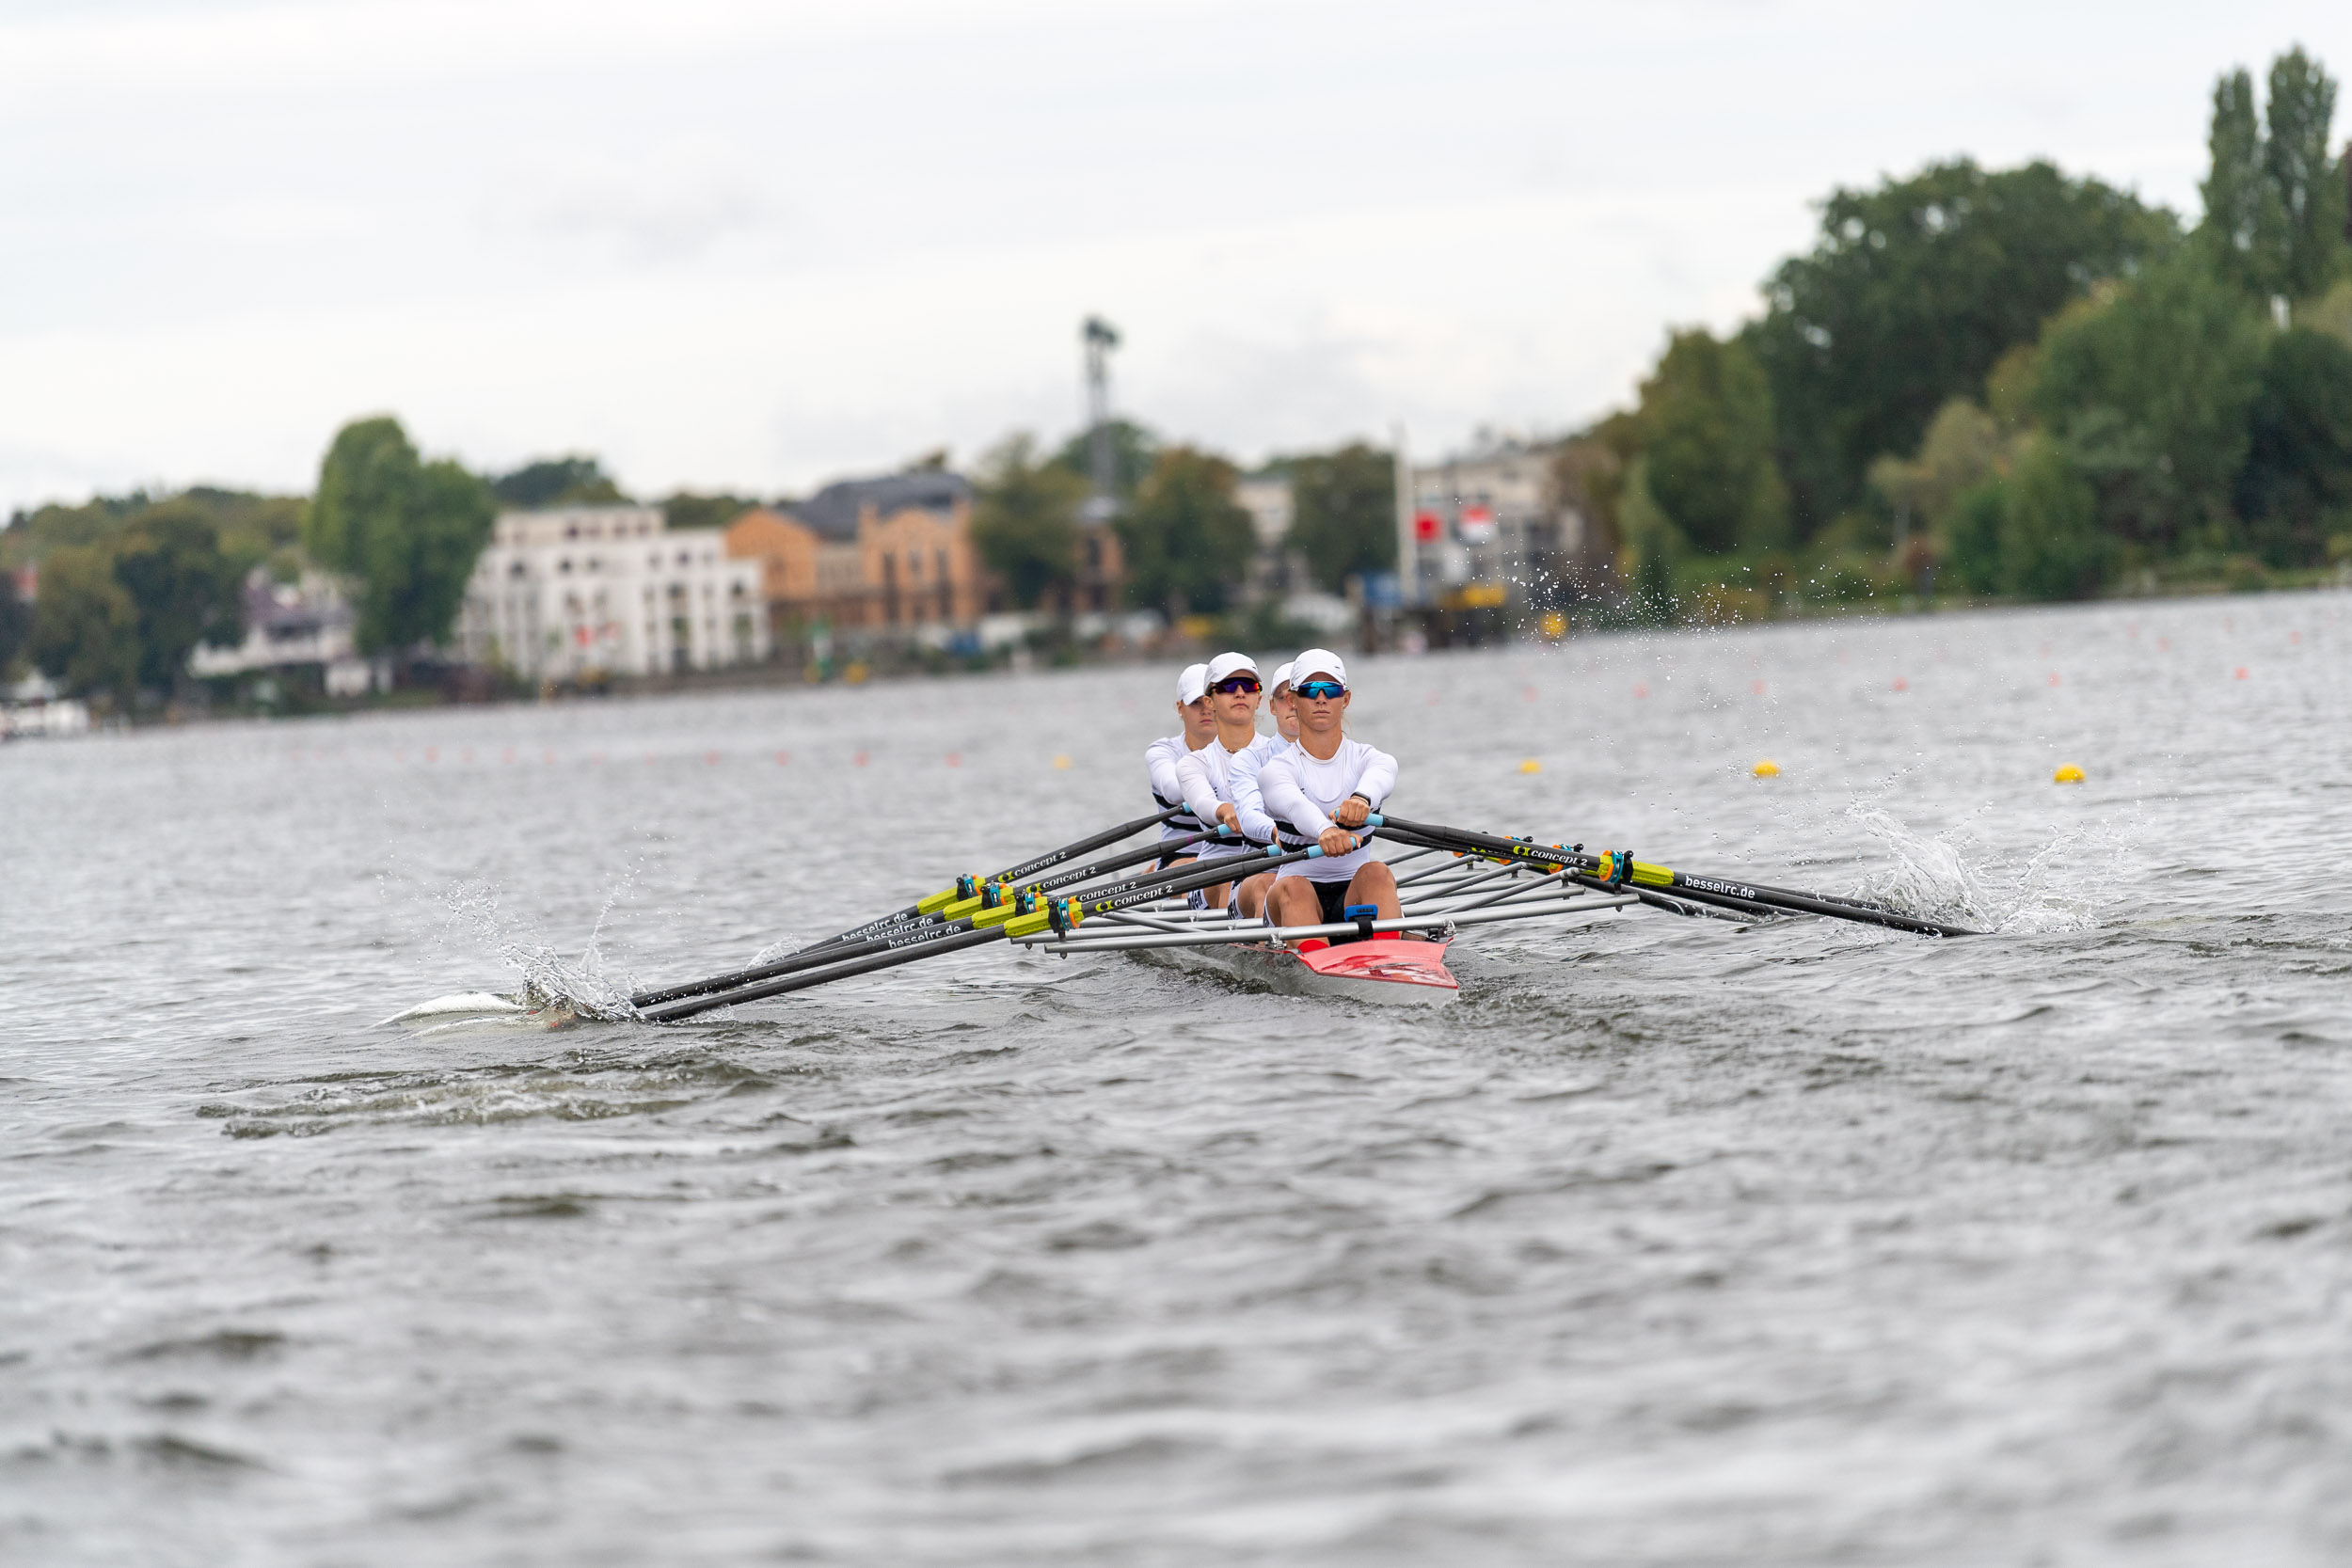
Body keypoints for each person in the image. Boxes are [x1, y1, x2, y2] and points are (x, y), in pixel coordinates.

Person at [1256, 649, 1399, 945]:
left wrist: (1361, 800)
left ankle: (1393, 960)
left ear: (1345, 699)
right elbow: (1295, 806)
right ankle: (1316, 968)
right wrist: (1325, 831)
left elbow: (1383, 775)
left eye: (1331, 690)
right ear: (1292, 701)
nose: (1321, 698)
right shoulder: (1276, 770)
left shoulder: (1369, 759)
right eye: (1310, 690)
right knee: (1295, 887)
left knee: (1377, 873)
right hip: (1292, 899)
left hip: (1355, 894)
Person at [1174, 651, 1274, 913]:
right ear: (1210, 701)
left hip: (1274, 862)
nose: (1240, 693)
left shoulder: (1282, 755)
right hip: (1215, 870)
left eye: (1249, 686)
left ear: (1259, 699)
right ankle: (1256, 952)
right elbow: (1203, 802)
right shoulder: (1194, 763)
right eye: (1229, 686)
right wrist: (1224, 810)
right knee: (1235, 876)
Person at [1225, 660, 1296, 919]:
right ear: (1271, 706)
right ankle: (1272, 957)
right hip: (1259, 871)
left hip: (1320, 871)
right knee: (1268, 885)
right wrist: (1278, 832)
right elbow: (1249, 817)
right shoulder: (1250, 759)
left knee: (1376, 874)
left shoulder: (1348, 755)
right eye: (1284, 697)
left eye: (1302, 695)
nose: (1294, 705)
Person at [1143, 662, 1216, 870]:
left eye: (1209, 701)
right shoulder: (1163, 752)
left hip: (1234, 853)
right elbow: (1174, 790)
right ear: (1180, 708)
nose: (1205, 710)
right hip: (1180, 858)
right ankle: (1154, 872)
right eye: (1195, 703)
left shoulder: (1244, 751)